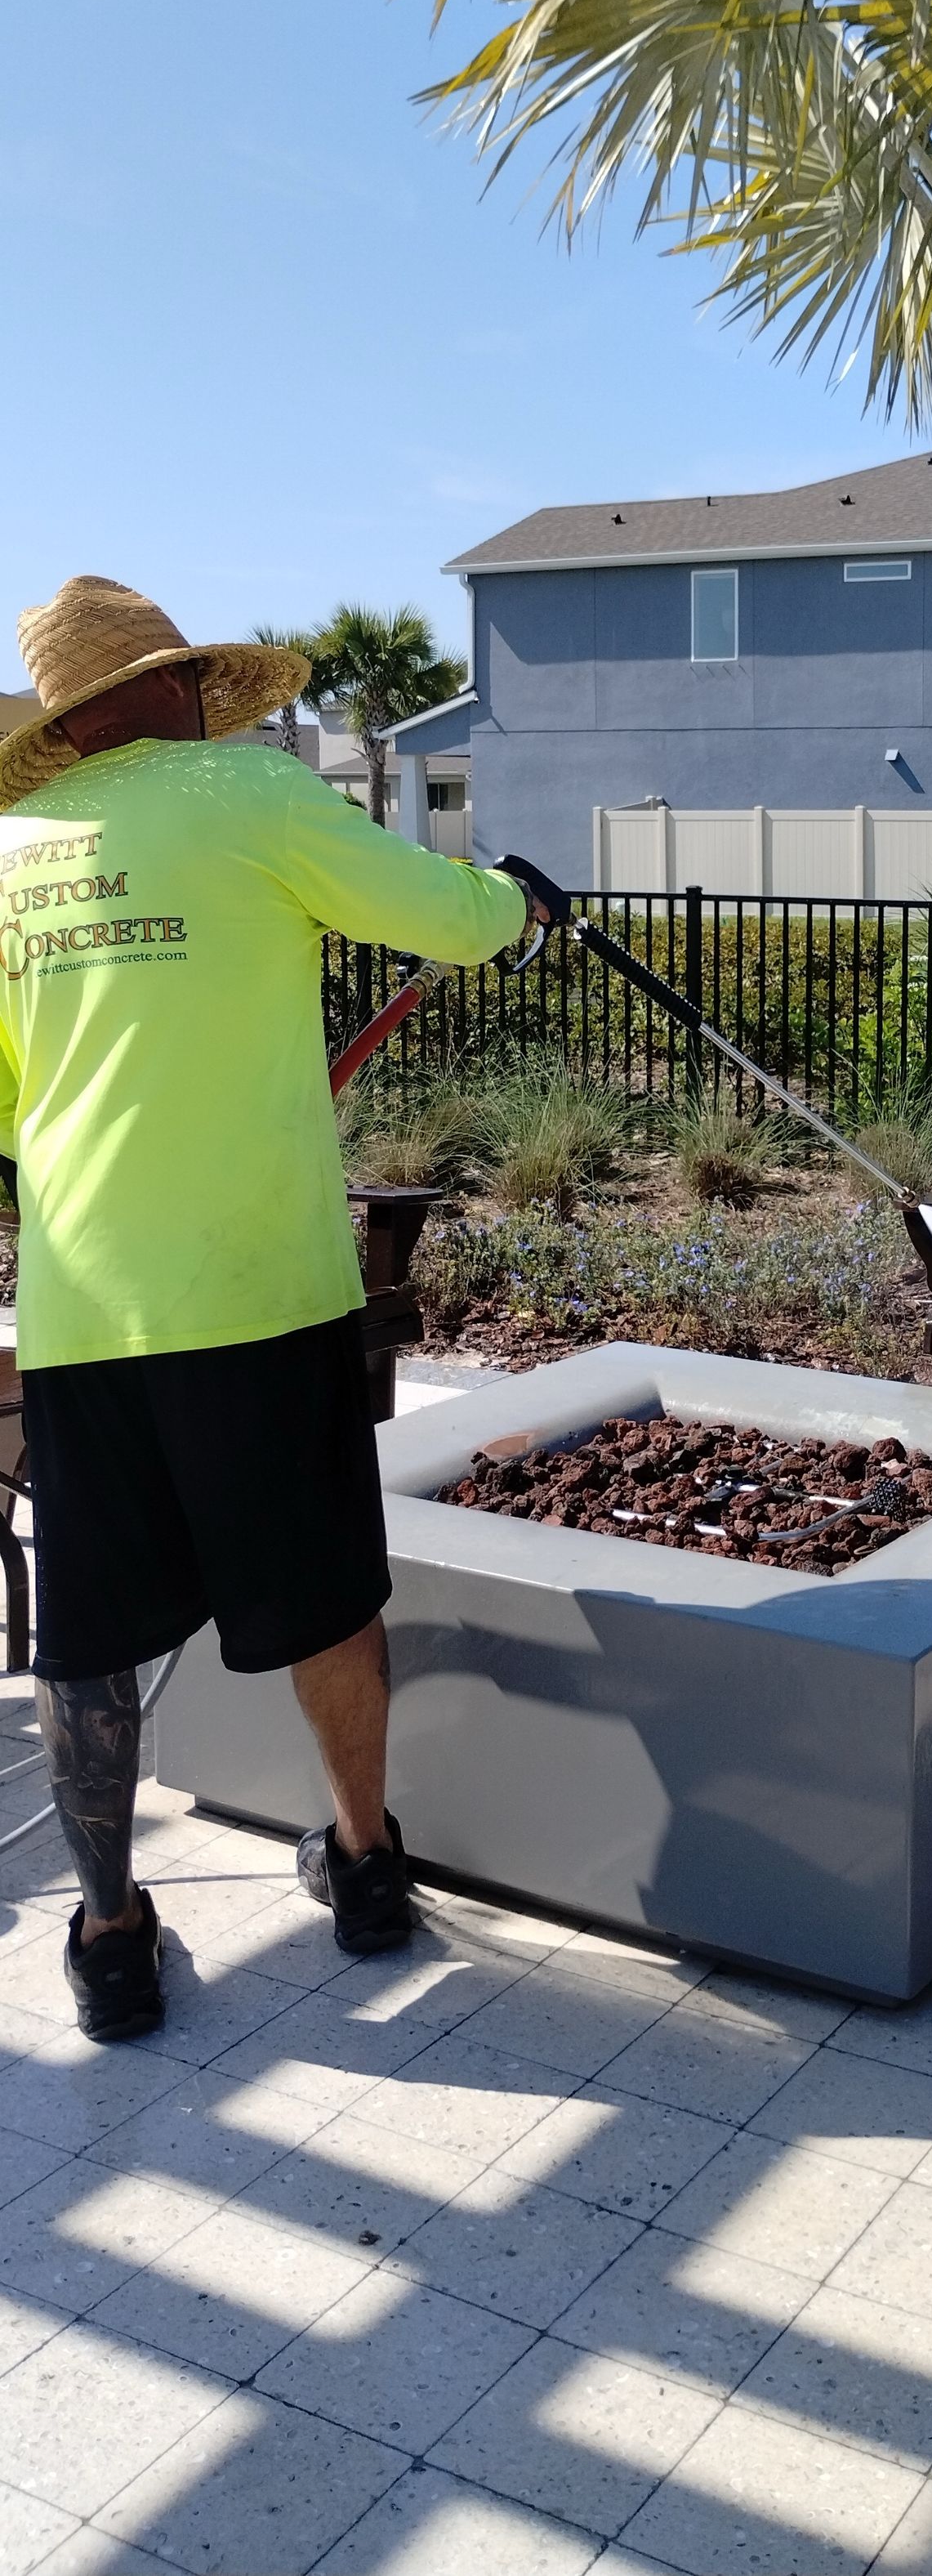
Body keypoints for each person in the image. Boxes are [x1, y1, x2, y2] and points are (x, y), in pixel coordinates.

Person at [1, 575, 532, 2041]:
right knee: (322, 1594)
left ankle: (110, 1938)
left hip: (85, 1308)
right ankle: (365, 1866)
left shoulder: (7, 855)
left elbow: (8, 1104)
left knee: (85, 1636)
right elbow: (452, 919)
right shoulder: (249, 794)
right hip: (261, 1295)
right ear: (178, 685)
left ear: (66, 724)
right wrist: (518, 903)